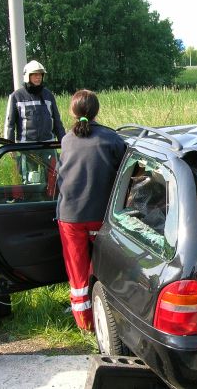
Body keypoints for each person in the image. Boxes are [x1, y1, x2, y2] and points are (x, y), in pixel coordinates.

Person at [56, 90, 126, 330]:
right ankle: (108, 316)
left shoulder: (66, 140)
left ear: (73, 112)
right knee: (105, 267)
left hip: (70, 217)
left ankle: (85, 323)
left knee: (77, 272)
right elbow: (129, 173)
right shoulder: (112, 139)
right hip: (102, 215)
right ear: (96, 112)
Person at [4, 60, 65, 143]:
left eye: (40, 74)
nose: (38, 77)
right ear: (27, 76)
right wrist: (9, 146)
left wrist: (64, 143)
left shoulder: (49, 95)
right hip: (25, 147)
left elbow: (57, 122)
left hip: (48, 145)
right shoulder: (16, 96)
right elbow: (9, 124)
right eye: (35, 74)